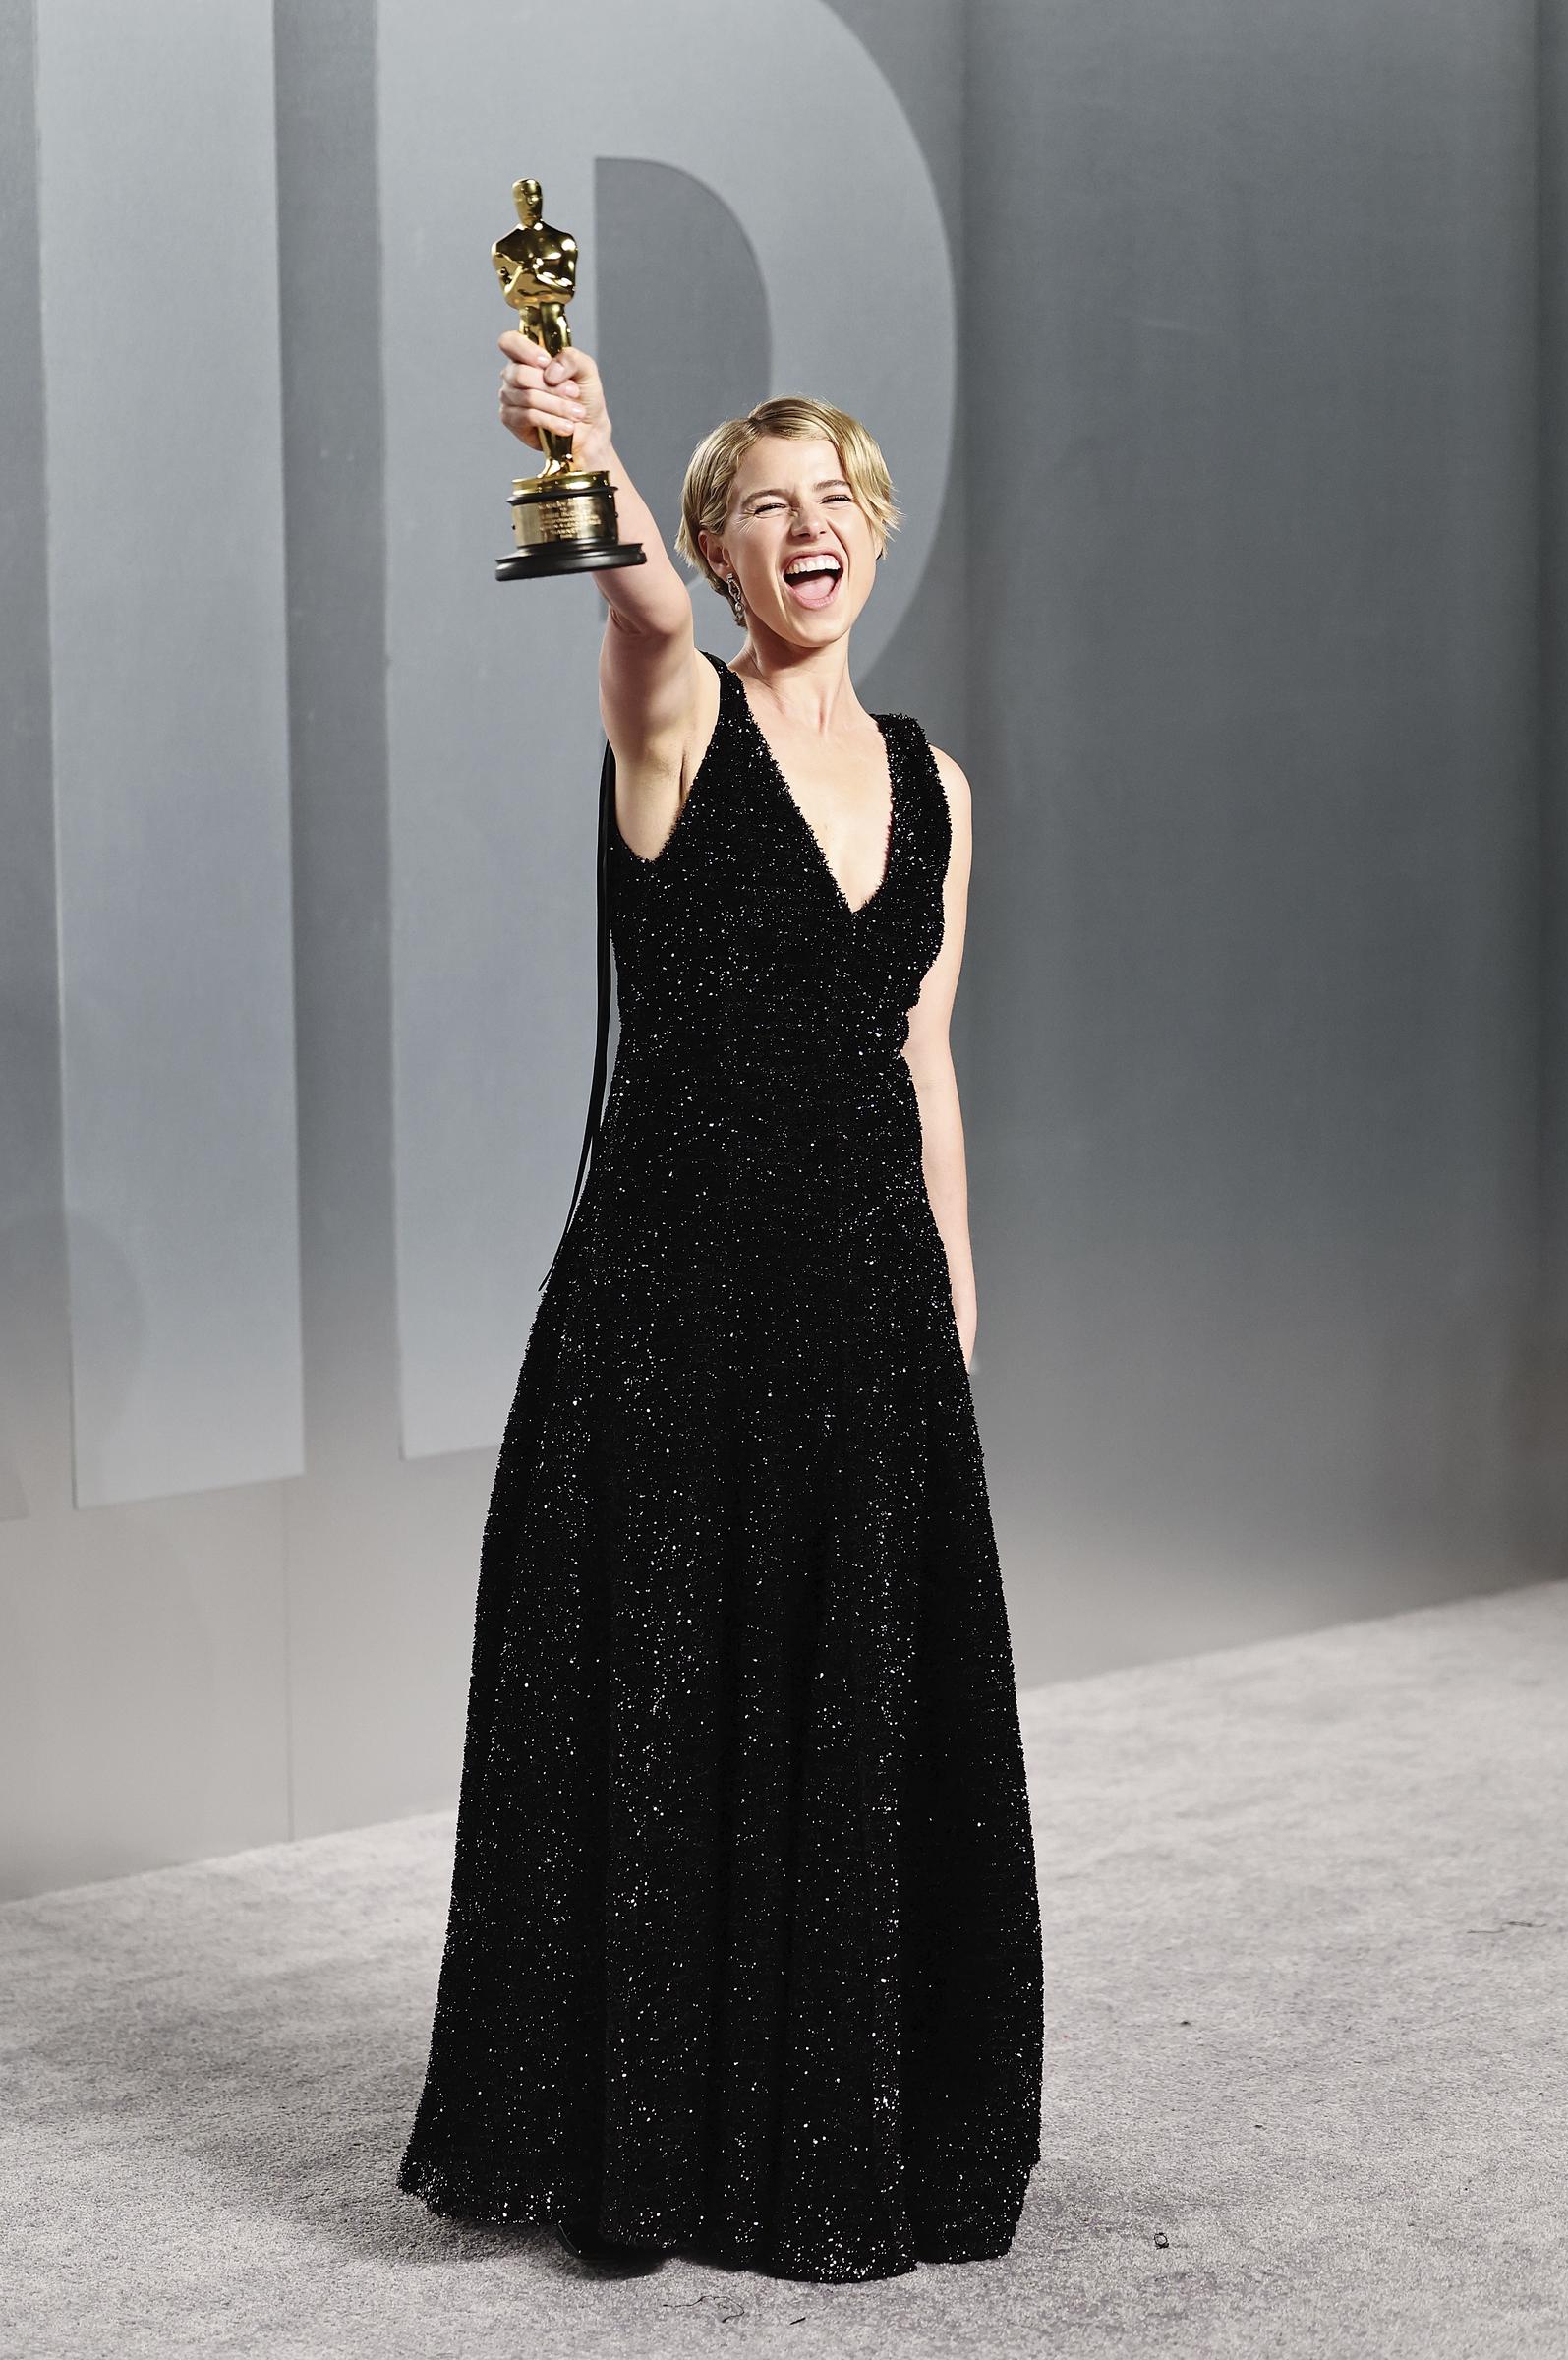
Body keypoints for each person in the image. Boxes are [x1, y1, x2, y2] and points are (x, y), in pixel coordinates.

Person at [396, 326, 1044, 2285]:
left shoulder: (935, 782)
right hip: (666, 1313)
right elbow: (639, 630)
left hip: (860, 1311)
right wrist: (583, 458)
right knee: (659, 1714)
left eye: (829, 495)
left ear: (871, 531)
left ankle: (825, 2125)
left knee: (851, 1724)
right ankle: (649, 2149)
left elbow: (919, 1057)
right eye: (761, 506)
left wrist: (951, 1295)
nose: (805, 525)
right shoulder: (678, 723)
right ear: (717, 550)